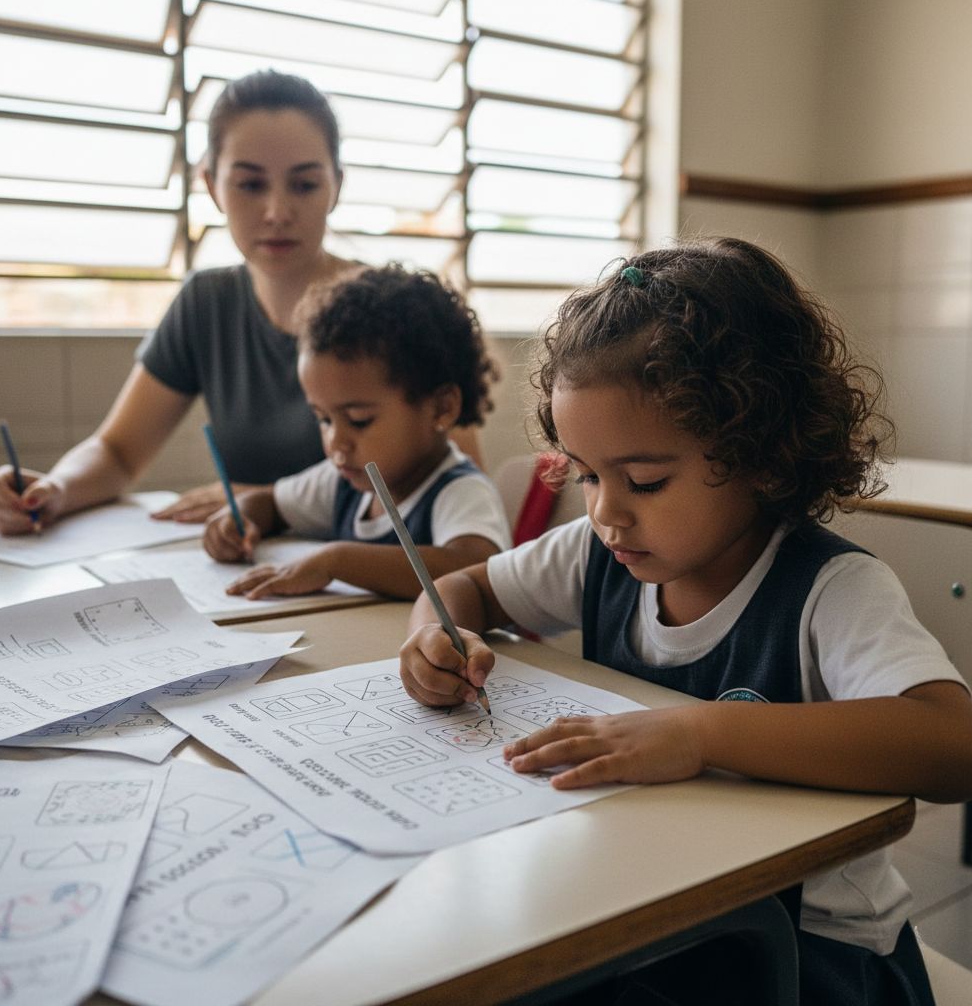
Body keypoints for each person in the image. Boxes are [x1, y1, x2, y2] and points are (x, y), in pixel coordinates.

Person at [399, 237, 972, 1005]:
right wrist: (433, 638)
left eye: (643, 479)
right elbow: (463, 587)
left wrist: (696, 734)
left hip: (809, 959)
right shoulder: (598, 552)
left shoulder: (831, 590)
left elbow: (949, 744)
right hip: (658, 909)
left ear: (762, 455)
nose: (604, 511)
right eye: (586, 474)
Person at [0, 70, 483, 535]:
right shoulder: (206, 303)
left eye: (305, 184)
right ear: (211, 186)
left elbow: (455, 486)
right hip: (250, 575)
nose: (277, 212)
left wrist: (267, 501)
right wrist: (55, 490)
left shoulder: (393, 310)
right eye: (249, 184)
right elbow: (117, 452)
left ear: (336, 186)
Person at [203, 264, 511, 600]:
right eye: (323, 419)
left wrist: (338, 560)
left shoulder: (460, 491)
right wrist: (237, 520)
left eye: (359, 420)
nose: (336, 441)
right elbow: (270, 503)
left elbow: (473, 569)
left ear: (440, 408)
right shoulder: (342, 484)